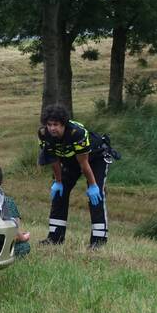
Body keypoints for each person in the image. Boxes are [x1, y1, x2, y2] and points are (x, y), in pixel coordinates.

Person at [37, 104, 109, 248]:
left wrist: (93, 186)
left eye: (56, 125)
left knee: (96, 196)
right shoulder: (43, 134)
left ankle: (98, 241)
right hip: (69, 161)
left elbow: (84, 163)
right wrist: (58, 181)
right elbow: (53, 160)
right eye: (49, 124)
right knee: (59, 193)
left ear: (64, 124)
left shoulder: (77, 132)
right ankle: (55, 237)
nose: (52, 128)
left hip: (94, 159)